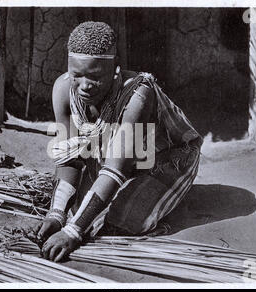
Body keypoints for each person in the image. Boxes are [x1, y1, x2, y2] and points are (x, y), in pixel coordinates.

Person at [30, 21, 203, 262]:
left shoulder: (137, 95)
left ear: (115, 71)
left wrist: (72, 231)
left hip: (167, 158)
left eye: (95, 77)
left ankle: (168, 188)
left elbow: (115, 170)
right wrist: (56, 214)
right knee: (73, 210)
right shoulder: (62, 90)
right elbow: (68, 158)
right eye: (76, 75)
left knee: (124, 220)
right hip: (116, 155)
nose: (85, 86)